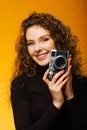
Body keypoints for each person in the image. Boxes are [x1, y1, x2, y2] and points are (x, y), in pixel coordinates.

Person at [11, 12, 87, 130]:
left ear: (58, 40)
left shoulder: (81, 82)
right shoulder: (21, 84)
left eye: (44, 39)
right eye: (31, 43)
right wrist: (56, 103)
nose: (37, 49)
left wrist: (69, 96)